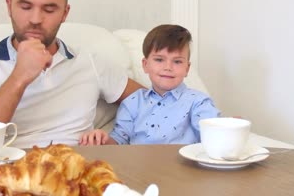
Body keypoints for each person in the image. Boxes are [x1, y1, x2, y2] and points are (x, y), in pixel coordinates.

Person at [0, 0, 142, 148]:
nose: (35, 19)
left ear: (64, 13)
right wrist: (19, 77)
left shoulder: (88, 62)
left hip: (74, 169)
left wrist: (116, 140)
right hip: (8, 172)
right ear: (9, 7)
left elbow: (158, 105)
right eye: (25, 7)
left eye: (49, 10)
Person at [79, 24, 220, 145]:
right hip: (139, 170)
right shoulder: (132, 103)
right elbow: (118, 142)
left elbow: (214, 132)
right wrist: (102, 139)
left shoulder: (198, 102)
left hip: (182, 171)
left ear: (187, 68)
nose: (168, 67)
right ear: (145, 65)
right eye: (159, 60)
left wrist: (229, 129)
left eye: (177, 62)